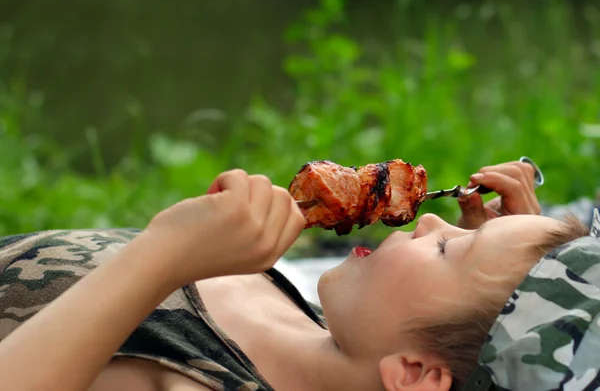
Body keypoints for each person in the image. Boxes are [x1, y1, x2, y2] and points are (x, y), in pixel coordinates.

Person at [0, 160, 588, 391]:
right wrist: (528, 263)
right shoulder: (318, 327)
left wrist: (161, 257)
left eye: (445, 250)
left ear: (413, 372)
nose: (433, 217)